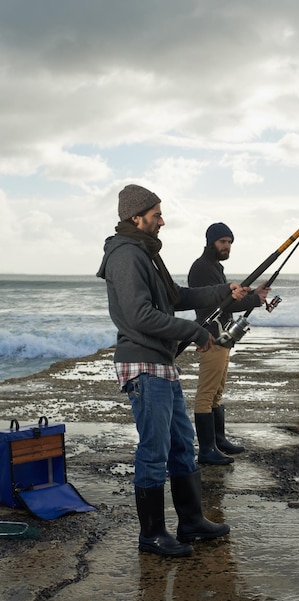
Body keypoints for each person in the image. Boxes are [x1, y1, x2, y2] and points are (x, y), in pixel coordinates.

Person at [97, 185, 248, 558]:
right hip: (143, 365)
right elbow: (139, 315)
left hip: (161, 364)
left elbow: (176, 297)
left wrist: (223, 292)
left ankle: (191, 522)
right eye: (157, 214)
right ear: (136, 217)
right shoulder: (126, 255)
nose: (162, 220)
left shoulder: (146, 254)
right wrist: (195, 331)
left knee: (183, 445)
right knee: (154, 450)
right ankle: (152, 535)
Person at [188, 223, 270, 465]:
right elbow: (219, 306)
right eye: (223, 242)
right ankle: (206, 450)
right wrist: (255, 299)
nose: (227, 246)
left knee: (217, 393)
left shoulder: (213, 267)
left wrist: (253, 293)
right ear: (211, 242)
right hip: (211, 338)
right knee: (206, 394)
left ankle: (218, 441)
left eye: (230, 242)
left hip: (223, 338)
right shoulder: (202, 268)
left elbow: (227, 299)